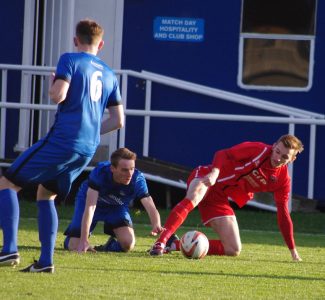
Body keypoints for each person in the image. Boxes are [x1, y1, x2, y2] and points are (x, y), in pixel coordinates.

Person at [0, 19, 124, 273]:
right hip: (87, 147)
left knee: (7, 182)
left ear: (75, 40)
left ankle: (9, 249)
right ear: (101, 44)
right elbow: (118, 120)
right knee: (46, 194)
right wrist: (90, 130)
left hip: (64, 139)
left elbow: (58, 95)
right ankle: (45, 262)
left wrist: (53, 84)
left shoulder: (69, 59)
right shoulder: (110, 74)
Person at [149, 134, 304, 261]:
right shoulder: (258, 149)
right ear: (274, 145)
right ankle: (161, 241)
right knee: (194, 197)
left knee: (233, 248)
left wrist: (293, 250)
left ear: (292, 159)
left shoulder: (283, 181)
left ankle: (174, 244)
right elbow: (223, 154)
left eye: (284, 157)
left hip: (220, 196)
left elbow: (283, 214)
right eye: (277, 151)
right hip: (207, 176)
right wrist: (215, 172)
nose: (277, 158)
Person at [63, 147, 163, 253]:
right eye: (124, 170)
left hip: (116, 207)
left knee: (128, 244)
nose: (129, 174)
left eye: (132, 168)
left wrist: (156, 223)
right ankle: (70, 240)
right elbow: (90, 207)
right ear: (112, 168)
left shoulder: (137, 179)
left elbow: (149, 203)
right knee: (74, 245)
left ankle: (108, 246)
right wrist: (84, 240)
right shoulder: (100, 173)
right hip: (90, 202)